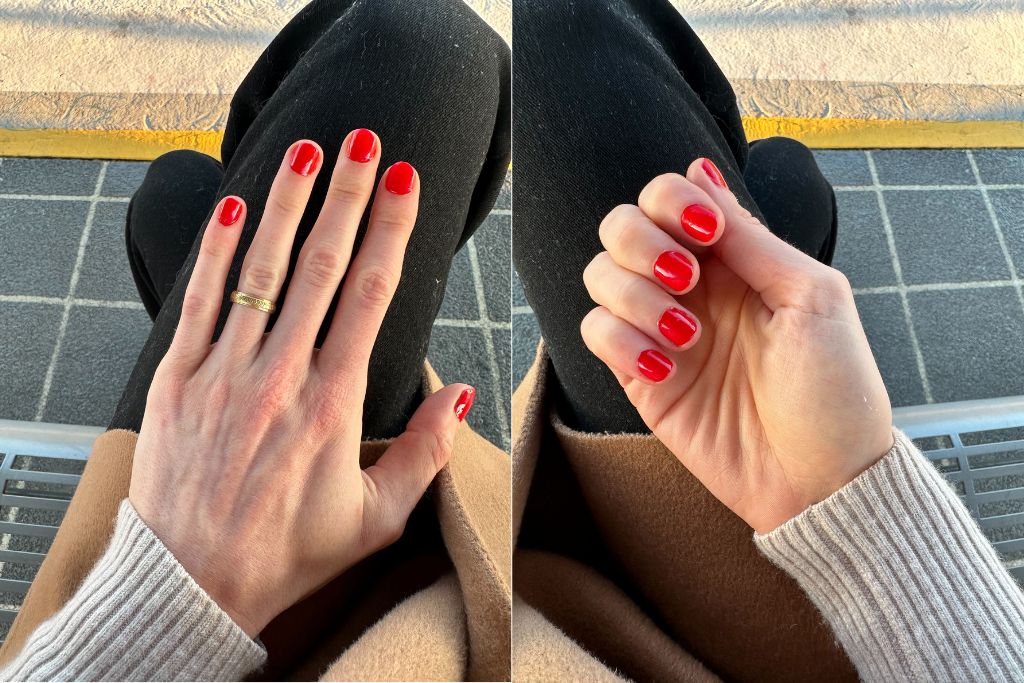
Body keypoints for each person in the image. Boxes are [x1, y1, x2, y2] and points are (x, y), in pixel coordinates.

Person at [511, 2, 1024, 681]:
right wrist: (854, 497)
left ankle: (760, 187)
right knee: (784, 178)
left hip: (611, 591)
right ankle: (764, 196)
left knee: (543, 33)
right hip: (839, 574)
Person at [0, 1, 511, 681]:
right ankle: (258, 160)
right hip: (353, 622)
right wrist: (186, 591)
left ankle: (252, 182)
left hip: (103, 620)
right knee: (426, 43)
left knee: (173, 191)